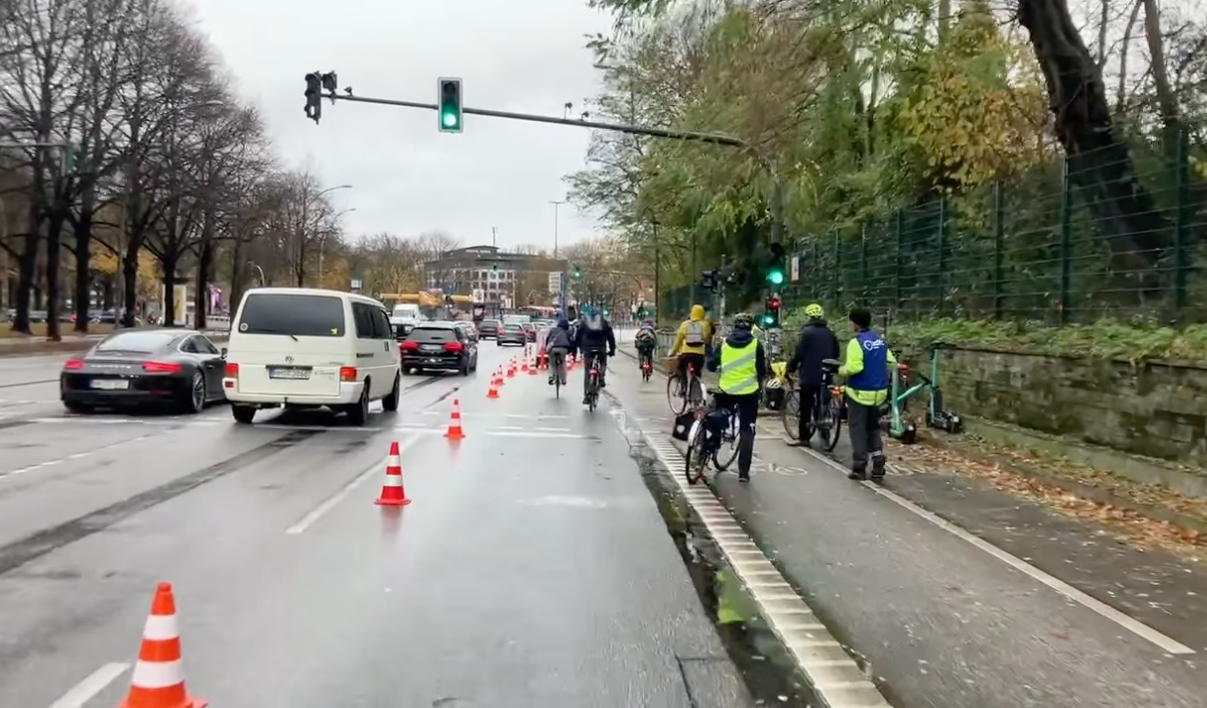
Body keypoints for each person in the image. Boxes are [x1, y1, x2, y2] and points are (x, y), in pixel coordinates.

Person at [706, 312, 767, 482]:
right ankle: (743, 473)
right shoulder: (756, 344)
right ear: (751, 327)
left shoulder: (724, 343)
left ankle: (707, 452)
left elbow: (711, 366)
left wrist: (711, 357)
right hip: (748, 393)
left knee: (717, 419)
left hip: (726, 391)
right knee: (747, 431)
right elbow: (762, 371)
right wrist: (760, 387)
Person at [838, 307, 896, 481]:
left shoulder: (856, 342)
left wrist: (841, 370)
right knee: (873, 428)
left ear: (854, 323)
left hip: (860, 392)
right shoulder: (879, 340)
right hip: (879, 393)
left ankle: (859, 467)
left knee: (858, 430)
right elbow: (891, 361)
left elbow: (855, 367)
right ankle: (878, 462)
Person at [786, 303, 840, 446]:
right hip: (826, 372)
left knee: (806, 405)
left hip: (809, 374)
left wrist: (791, 366)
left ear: (808, 317)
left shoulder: (807, 333)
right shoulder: (830, 333)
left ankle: (804, 438)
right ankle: (825, 435)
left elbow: (800, 353)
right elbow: (836, 352)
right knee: (823, 402)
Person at [668, 304, 713, 397]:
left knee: (681, 369)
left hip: (686, 354)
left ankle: (684, 388)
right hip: (699, 355)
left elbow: (678, 341)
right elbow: (708, 338)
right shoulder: (705, 325)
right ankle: (697, 391)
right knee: (697, 373)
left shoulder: (685, 325)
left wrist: (673, 352)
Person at [574, 304, 615, 403]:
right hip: (601, 347)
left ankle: (587, 396)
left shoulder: (584, 323)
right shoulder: (603, 322)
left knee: (587, 370)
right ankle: (601, 376)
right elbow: (610, 336)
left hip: (588, 349)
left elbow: (578, 335)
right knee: (603, 362)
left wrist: (578, 348)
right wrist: (612, 349)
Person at [545, 317, 575, 387]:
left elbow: (547, 339)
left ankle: (551, 376)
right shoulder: (566, 332)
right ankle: (563, 379)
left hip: (553, 348)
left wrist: (547, 349)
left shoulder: (553, 330)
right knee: (563, 362)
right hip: (563, 349)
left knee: (552, 363)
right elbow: (571, 341)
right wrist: (571, 351)